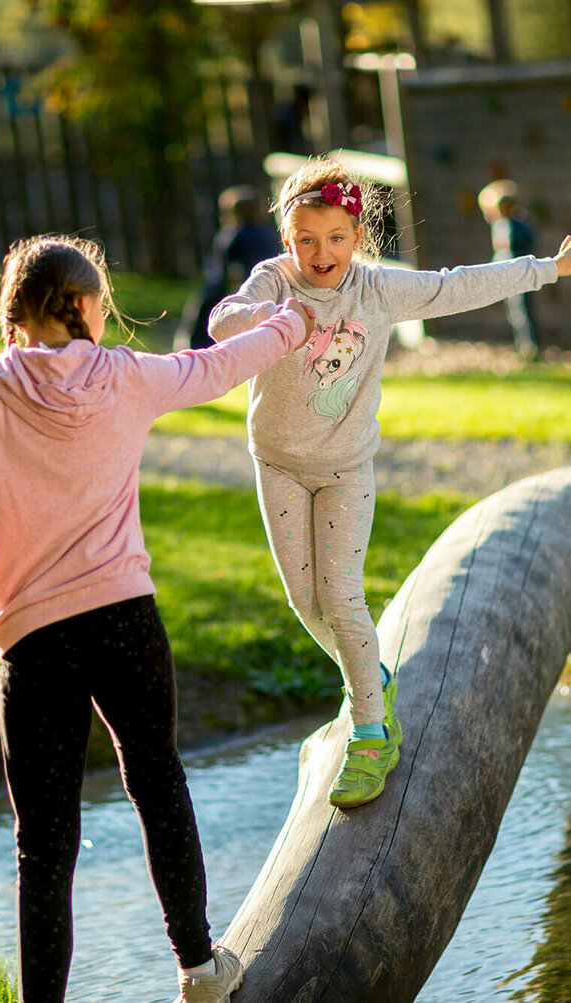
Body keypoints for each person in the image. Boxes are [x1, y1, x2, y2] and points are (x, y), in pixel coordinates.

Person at [0, 234, 314, 1003]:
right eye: (101, 301)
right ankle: (200, 970)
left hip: (34, 642)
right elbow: (217, 367)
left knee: (44, 844)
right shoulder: (126, 376)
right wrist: (294, 324)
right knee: (158, 782)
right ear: (82, 307)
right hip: (124, 619)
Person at [209, 157, 571, 811]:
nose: (322, 254)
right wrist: (266, 322)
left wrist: (549, 268)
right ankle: (368, 673)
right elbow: (225, 319)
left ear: (358, 233)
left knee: (342, 599)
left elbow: (458, 285)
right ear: (287, 239)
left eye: (336, 238)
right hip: (278, 464)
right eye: (306, 240)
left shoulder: (378, 289)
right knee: (306, 601)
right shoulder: (275, 279)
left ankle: (372, 732)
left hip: (347, 467)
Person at [175, 185, 280, 350]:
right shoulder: (270, 233)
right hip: (270, 289)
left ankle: (196, 349)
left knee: (205, 315)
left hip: (235, 290)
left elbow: (225, 272)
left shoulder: (232, 235)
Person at [478, 178, 540, 359]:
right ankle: (523, 344)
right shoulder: (503, 224)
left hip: (518, 272)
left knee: (522, 309)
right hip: (510, 272)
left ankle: (529, 346)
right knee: (516, 310)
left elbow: (511, 249)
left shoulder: (513, 225)